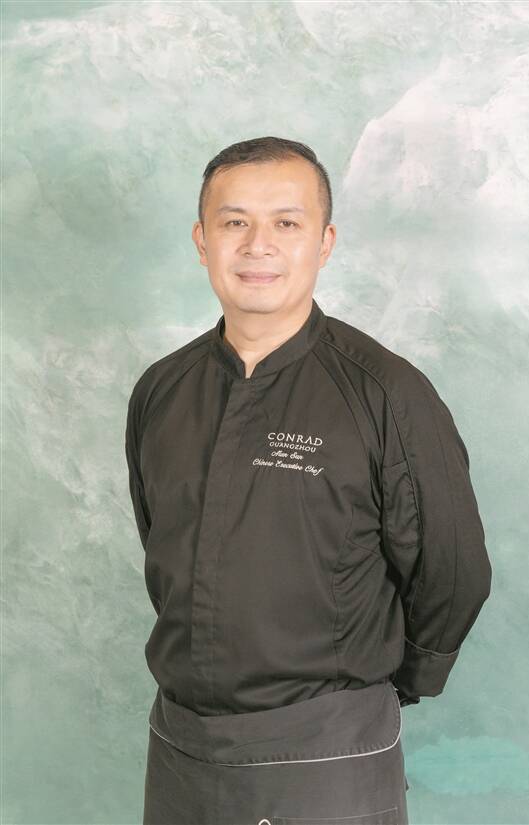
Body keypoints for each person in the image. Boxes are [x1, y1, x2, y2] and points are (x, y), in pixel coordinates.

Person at [125, 136, 492, 825]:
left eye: (286, 223)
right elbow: (164, 546)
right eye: (235, 222)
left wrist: (390, 681)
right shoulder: (161, 390)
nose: (257, 245)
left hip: (328, 750)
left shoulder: (388, 394)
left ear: (324, 242)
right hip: (179, 750)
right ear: (202, 241)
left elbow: (453, 570)